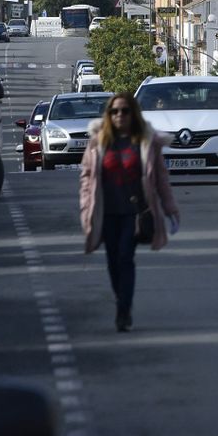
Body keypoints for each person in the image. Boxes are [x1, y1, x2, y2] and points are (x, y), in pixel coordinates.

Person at [78, 91, 181, 331]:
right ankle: (121, 299)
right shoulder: (98, 142)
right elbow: (86, 178)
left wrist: (170, 209)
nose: (120, 115)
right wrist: (85, 209)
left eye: (125, 111)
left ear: (132, 113)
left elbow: (160, 179)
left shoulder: (146, 142)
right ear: (109, 115)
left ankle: (123, 310)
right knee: (113, 261)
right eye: (114, 111)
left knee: (125, 257)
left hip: (135, 214)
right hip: (106, 212)